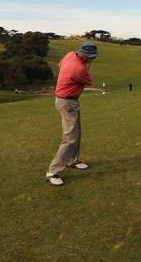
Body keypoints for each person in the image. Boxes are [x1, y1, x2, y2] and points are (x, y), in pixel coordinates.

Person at [45, 41, 98, 186]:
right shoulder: (79, 69)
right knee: (70, 138)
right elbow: (90, 81)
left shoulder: (69, 55)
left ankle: (73, 160)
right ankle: (53, 172)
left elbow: (61, 64)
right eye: (92, 57)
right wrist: (87, 68)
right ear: (87, 57)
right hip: (67, 102)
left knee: (77, 133)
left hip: (68, 101)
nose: (93, 59)